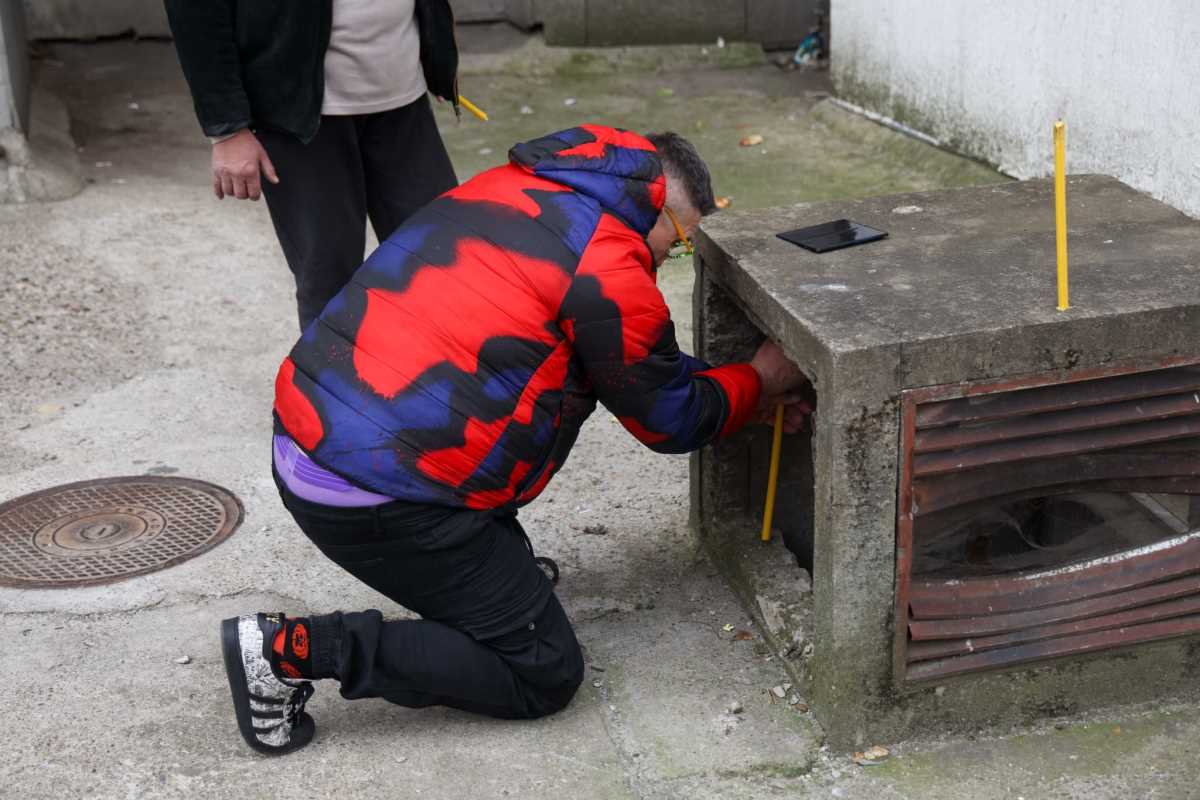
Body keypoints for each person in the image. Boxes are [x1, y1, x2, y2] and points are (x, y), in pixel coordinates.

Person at [219, 125, 811, 755]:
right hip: (378, 496)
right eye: (681, 240)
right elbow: (670, 418)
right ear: (656, 202)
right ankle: (289, 652)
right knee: (543, 669)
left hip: (317, 432)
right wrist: (762, 377)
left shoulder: (514, 188)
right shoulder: (608, 260)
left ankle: (488, 569)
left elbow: (642, 369)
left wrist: (744, 394)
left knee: (513, 395)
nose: (670, 258)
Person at [164, 0, 460, 329]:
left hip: (403, 100)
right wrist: (227, 127)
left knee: (444, 262)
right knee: (332, 286)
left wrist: (438, 57)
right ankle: (333, 381)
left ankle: (437, 379)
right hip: (299, 115)